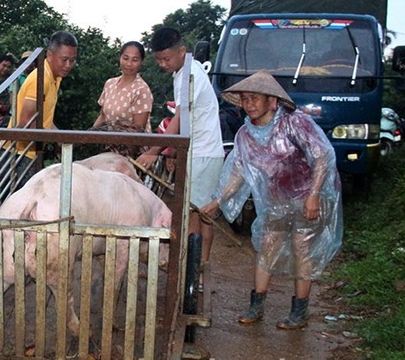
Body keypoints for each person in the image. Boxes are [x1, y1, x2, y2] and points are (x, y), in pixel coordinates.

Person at [201, 70, 342, 329]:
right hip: (276, 201)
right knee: (266, 248)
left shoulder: (295, 123)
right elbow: (238, 171)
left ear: (273, 101)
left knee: (302, 250)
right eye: (245, 99)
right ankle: (256, 305)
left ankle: (300, 310)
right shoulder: (245, 135)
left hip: (309, 197)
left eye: (255, 98)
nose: (249, 104)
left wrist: (314, 196)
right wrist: (216, 202)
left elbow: (322, 156)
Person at [135, 28, 224, 268]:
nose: (163, 64)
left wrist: (154, 152)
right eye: (159, 60)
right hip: (196, 149)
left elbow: (180, 119)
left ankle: (189, 270)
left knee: (191, 212)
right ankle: (196, 268)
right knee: (196, 211)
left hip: (202, 152)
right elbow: (185, 118)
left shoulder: (190, 75)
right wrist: (173, 151)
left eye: (167, 58)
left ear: (182, 51)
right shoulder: (181, 73)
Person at [2, 31, 78, 187]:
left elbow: (44, 118)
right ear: (49, 55)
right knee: (19, 207)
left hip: (28, 151)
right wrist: (54, 138)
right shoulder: (40, 79)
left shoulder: (55, 77)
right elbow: (26, 124)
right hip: (19, 153)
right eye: (64, 60)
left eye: (72, 60)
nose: (68, 65)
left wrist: (61, 138)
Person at [92, 41, 153, 132]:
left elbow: (138, 131)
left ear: (141, 62)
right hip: (108, 143)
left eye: (135, 60)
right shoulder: (110, 84)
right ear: (120, 58)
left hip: (131, 144)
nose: (129, 64)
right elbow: (103, 117)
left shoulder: (141, 90)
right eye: (125, 58)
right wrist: (89, 137)